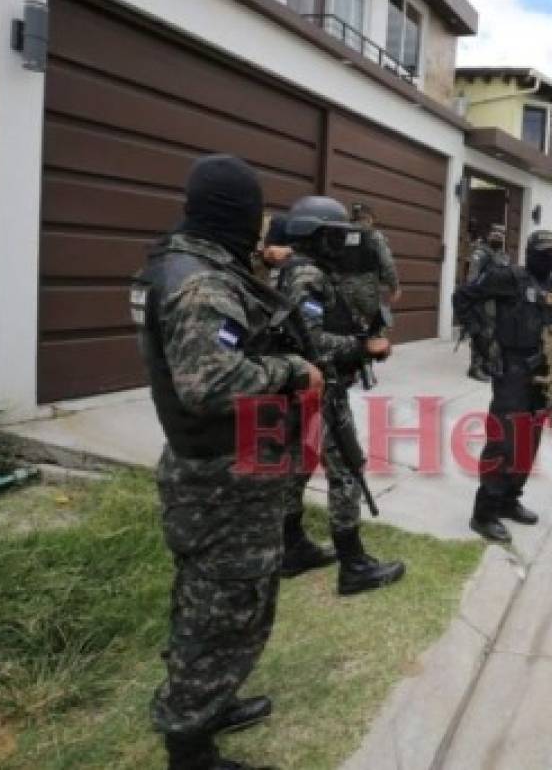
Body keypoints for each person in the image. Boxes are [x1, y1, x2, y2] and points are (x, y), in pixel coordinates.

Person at [132, 154, 323, 770]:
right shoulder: (199, 283)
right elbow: (210, 385)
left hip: (226, 468)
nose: (262, 225)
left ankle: (208, 703)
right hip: (220, 476)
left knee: (217, 598)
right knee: (220, 607)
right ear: (235, 212)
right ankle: (191, 745)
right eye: (256, 211)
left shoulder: (188, 264)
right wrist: (292, 371)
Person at [278, 195, 406, 596]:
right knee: (346, 470)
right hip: (321, 391)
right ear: (320, 237)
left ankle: (291, 546)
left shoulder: (297, 270)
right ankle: (353, 565)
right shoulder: (307, 277)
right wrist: (363, 347)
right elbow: (312, 343)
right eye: (336, 236)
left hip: (301, 390)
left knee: (299, 464)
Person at [453, 229, 552, 542]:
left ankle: (508, 500)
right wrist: (481, 339)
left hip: (543, 376)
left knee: (528, 442)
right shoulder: (509, 279)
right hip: (512, 373)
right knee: (504, 442)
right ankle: (484, 512)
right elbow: (463, 297)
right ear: (530, 254)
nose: (548, 259)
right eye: (542, 253)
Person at [344, 202, 401, 335]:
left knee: (345, 329)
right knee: (375, 331)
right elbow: (387, 264)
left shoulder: (341, 234)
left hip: (342, 291)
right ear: (369, 218)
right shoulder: (375, 236)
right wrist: (395, 287)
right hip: (366, 293)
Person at [464, 224, 510, 382]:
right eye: (495, 233)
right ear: (488, 235)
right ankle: (474, 367)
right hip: (482, 301)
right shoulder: (480, 253)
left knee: (493, 334)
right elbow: (472, 278)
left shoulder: (503, 256)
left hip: (497, 301)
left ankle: (486, 365)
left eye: (500, 234)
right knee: (482, 334)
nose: (497, 236)